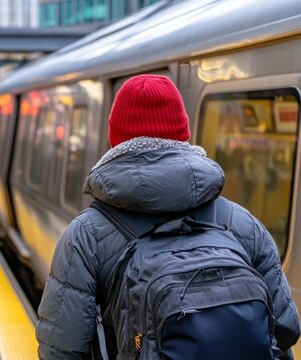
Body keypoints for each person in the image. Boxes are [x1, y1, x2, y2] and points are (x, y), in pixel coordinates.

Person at [36, 75, 300, 359]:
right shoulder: (241, 223)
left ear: (115, 141)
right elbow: (284, 329)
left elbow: (61, 351)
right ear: (183, 136)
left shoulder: (85, 236)